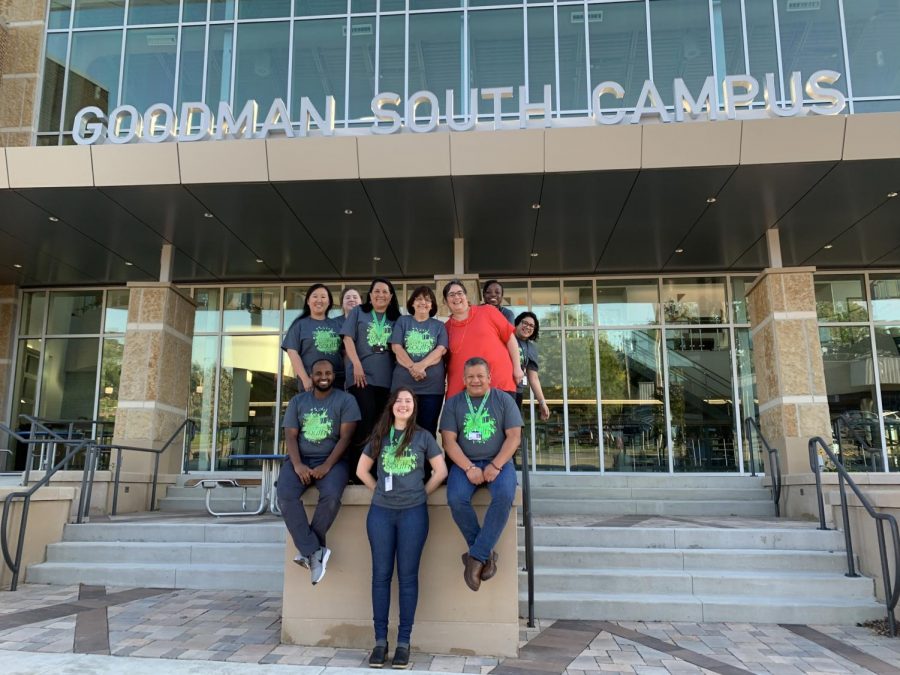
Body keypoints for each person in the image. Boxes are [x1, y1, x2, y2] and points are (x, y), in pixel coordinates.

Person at [356, 388, 448, 669]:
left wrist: (421, 493)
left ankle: (404, 643)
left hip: (413, 514)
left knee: (408, 578)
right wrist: (379, 493)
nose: (404, 405)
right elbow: (362, 471)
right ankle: (380, 642)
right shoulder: (380, 436)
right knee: (380, 576)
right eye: (400, 401)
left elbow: (440, 471)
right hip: (381, 514)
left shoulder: (423, 437)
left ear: (414, 408)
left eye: (409, 401)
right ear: (392, 406)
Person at [440, 358, 522, 592]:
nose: (475, 380)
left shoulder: (503, 400)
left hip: (499, 462)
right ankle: (485, 554)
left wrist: (495, 465)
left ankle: (475, 557)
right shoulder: (454, 404)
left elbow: (514, 436)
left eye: (480, 376)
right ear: (463, 379)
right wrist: (468, 468)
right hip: (465, 463)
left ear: (489, 377)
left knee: (505, 495)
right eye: (470, 377)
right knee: (456, 498)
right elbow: (449, 441)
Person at [277, 359, 360, 585]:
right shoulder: (298, 401)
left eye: (327, 373)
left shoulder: (346, 400)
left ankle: (308, 551)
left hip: (334, 460)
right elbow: (291, 436)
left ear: (334, 375)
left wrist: (327, 465)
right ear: (311, 377)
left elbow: (346, 438)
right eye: (318, 373)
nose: (323, 376)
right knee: (285, 496)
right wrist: (297, 465)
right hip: (300, 459)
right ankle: (314, 550)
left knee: (332, 496)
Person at [343, 278, 401, 470]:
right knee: (364, 422)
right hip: (361, 377)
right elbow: (348, 339)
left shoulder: (396, 319)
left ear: (391, 296)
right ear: (370, 295)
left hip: (387, 380)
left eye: (385, 292)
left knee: (381, 425)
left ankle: (376, 469)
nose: (381, 295)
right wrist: (357, 364)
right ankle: (356, 470)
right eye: (377, 291)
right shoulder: (359, 312)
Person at [442, 280, 523, 400]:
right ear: (445, 301)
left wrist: (517, 368)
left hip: (498, 383)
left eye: (460, 293)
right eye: (451, 294)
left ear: (466, 296)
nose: (457, 297)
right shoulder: (445, 328)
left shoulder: (488, 311)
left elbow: (510, 338)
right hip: (462, 391)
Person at [390, 286, 448, 436]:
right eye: (419, 298)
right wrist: (413, 367)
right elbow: (397, 348)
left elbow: (440, 350)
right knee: (400, 429)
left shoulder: (439, 326)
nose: (423, 302)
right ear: (412, 303)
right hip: (403, 386)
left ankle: (428, 460)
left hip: (432, 389)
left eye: (428, 300)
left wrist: (421, 366)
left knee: (427, 431)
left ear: (432, 305)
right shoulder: (403, 321)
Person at [282, 284, 345, 391]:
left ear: (329, 302)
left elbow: (345, 353)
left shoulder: (337, 325)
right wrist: (305, 379)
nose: (319, 300)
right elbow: (292, 353)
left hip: (336, 383)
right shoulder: (300, 325)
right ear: (308, 301)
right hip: (310, 383)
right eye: (315, 296)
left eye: (323, 297)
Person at [514, 311, 551, 421]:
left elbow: (533, 378)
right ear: (517, 323)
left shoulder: (531, 348)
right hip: (499, 390)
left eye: (531, 326)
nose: (528, 327)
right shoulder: (506, 338)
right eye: (525, 323)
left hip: (517, 392)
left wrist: (542, 402)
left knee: (514, 428)